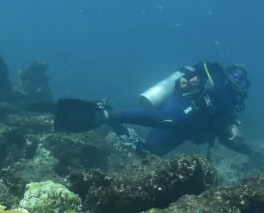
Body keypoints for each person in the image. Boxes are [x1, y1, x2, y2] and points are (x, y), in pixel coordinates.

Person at [55, 61, 253, 157]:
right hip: (182, 108)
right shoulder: (220, 79)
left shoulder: (230, 109)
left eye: (244, 81)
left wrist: (249, 151)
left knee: (150, 154)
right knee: (170, 119)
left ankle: (114, 120)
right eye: (237, 76)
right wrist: (195, 73)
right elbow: (209, 65)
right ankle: (106, 113)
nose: (239, 82)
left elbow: (226, 135)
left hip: (186, 130)